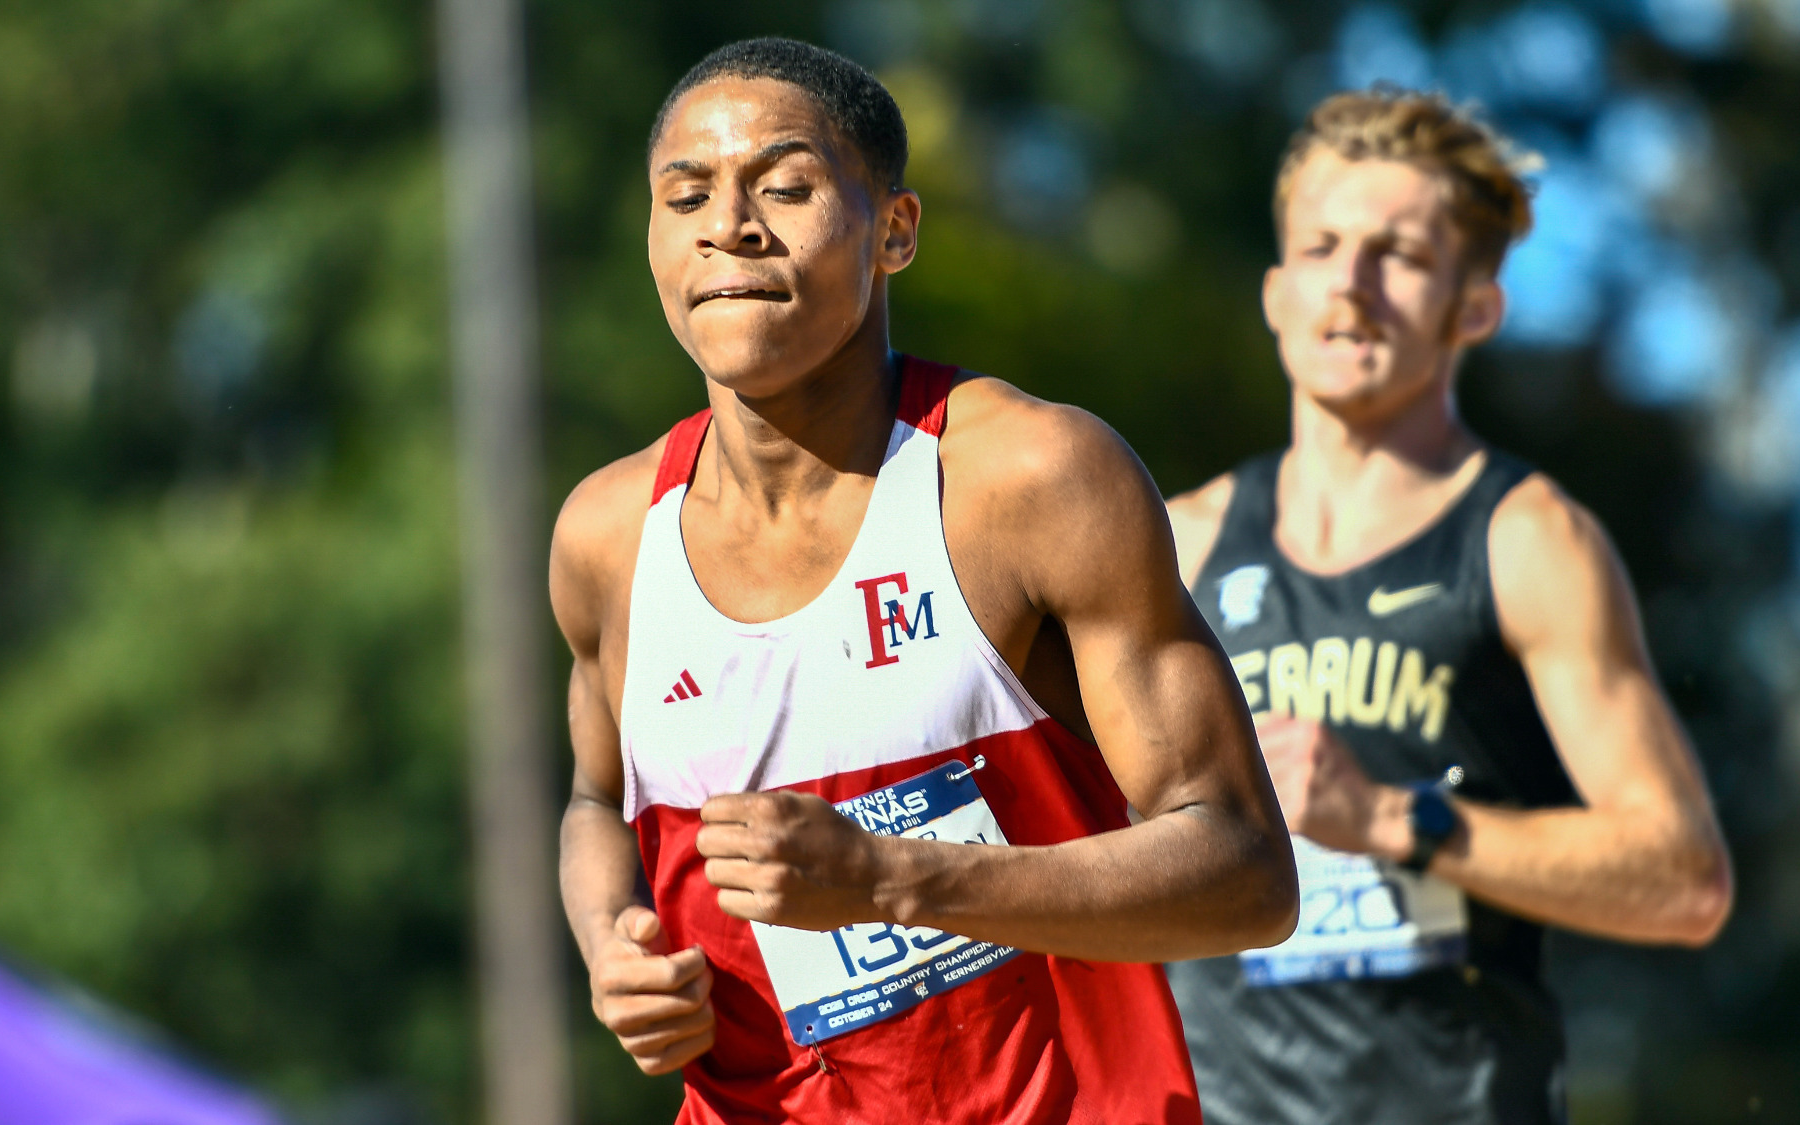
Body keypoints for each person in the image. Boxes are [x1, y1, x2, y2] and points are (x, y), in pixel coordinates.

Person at [549, 37, 1296, 1125]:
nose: (731, 226)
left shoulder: (1029, 478)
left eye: (788, 186)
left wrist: (891, 879)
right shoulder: (605, 534)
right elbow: (590, 802)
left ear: (892, 231)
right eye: (686, 195)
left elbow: (1244, 874)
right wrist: (609, 949)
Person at [1162, 87, 1736, 1125]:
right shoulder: (1175, 543)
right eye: (1321, 247)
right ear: (1273, 291)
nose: (1350, 282)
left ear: (1473, 308)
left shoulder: (1526, 540)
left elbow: (1682, 877)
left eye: (1399, 256)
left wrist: (1384, 817)